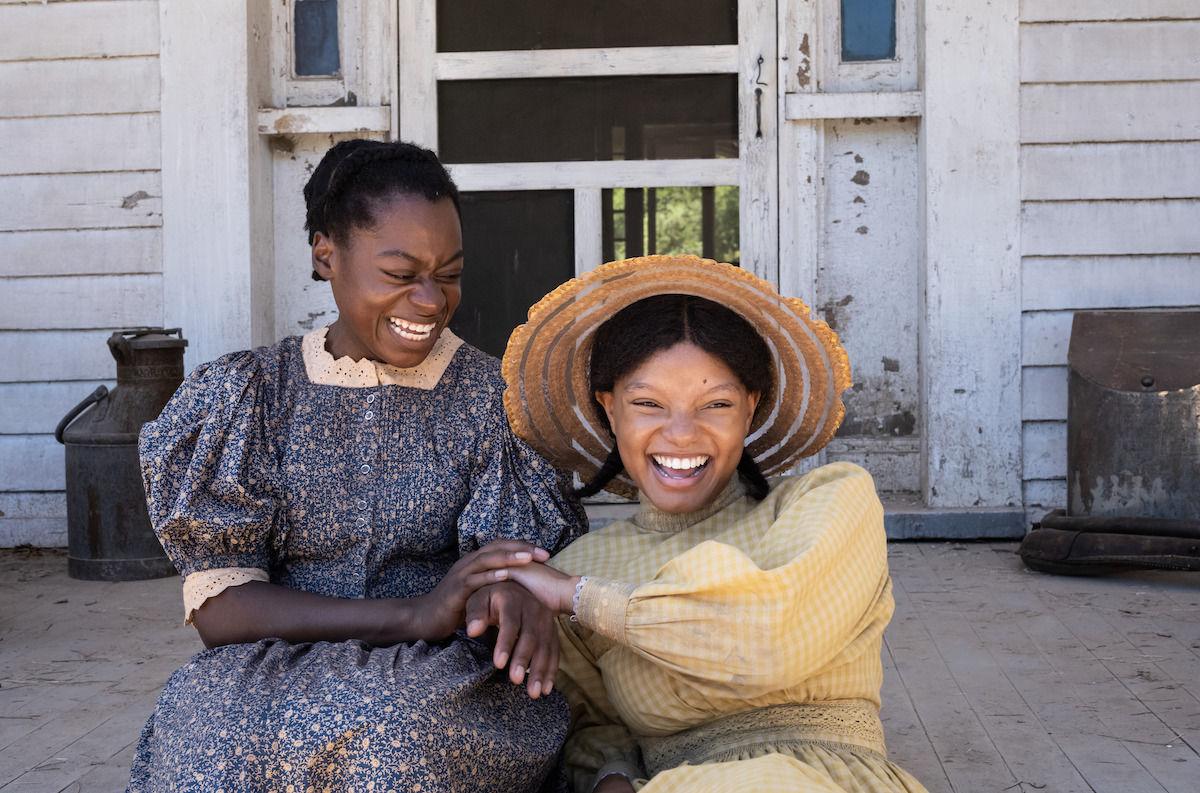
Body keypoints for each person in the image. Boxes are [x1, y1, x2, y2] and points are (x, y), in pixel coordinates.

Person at [130, 139, 587, 793]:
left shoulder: (495, 403)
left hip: (441, 672)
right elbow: (221, 610)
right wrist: (409, 613)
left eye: (449, 272)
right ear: (326, 255)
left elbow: (500, 572)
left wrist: (505, 598)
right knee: (202, 721)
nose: (431, 300)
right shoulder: (252, 393)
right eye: (401, 274)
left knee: (385, 729)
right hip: (275, 662)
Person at [496, 255, 931, 793]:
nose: (681, 434)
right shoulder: (580, 568)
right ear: (610, 410)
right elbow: (595, 726)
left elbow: (765, 643)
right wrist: (611, 776)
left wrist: (581, 598)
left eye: (716, 404)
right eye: (649, 403)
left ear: (751, 409)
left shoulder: (828, 502)